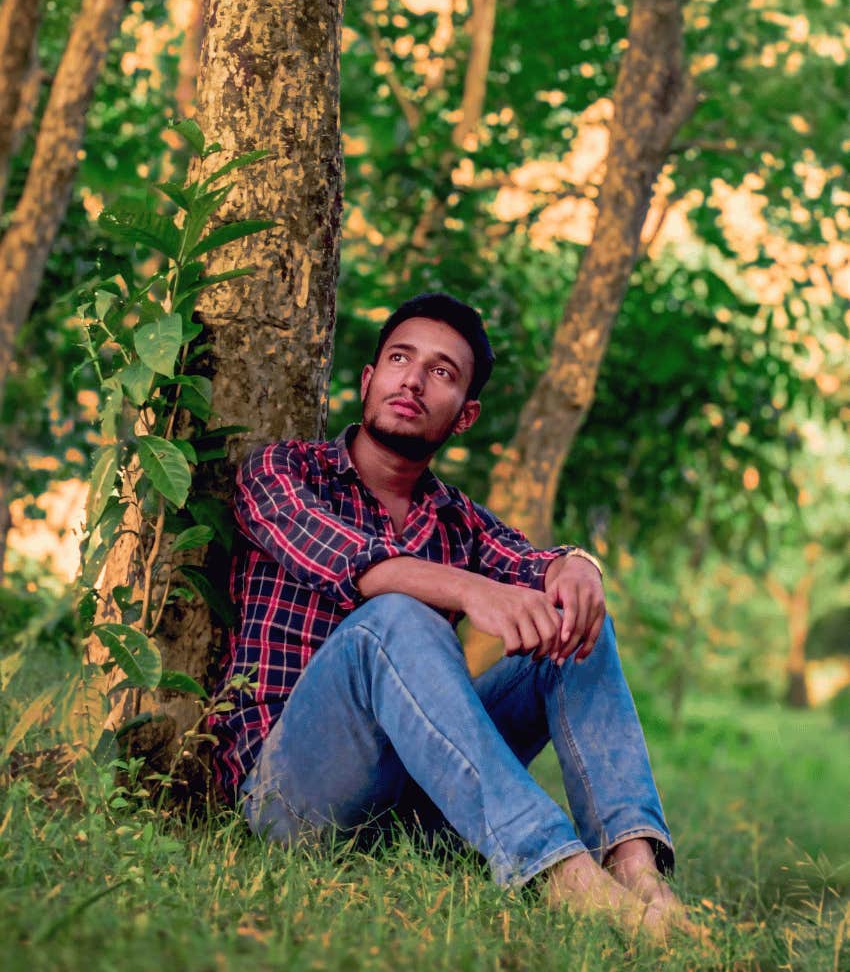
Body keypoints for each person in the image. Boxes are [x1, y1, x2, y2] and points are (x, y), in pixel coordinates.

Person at [210, 293, 692, 942]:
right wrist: (469, 592)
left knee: (580, 622)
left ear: (464, 415)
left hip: (416, 806)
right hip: (291, 794)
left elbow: (535, 562)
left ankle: (636, 872)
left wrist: (577, 567)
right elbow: (356, 562)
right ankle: (562, 875)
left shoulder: (455, 518)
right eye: (400, 359)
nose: (412, 379)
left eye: (440, 371)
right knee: (397, 618)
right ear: (368, 380)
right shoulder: (286, 471)